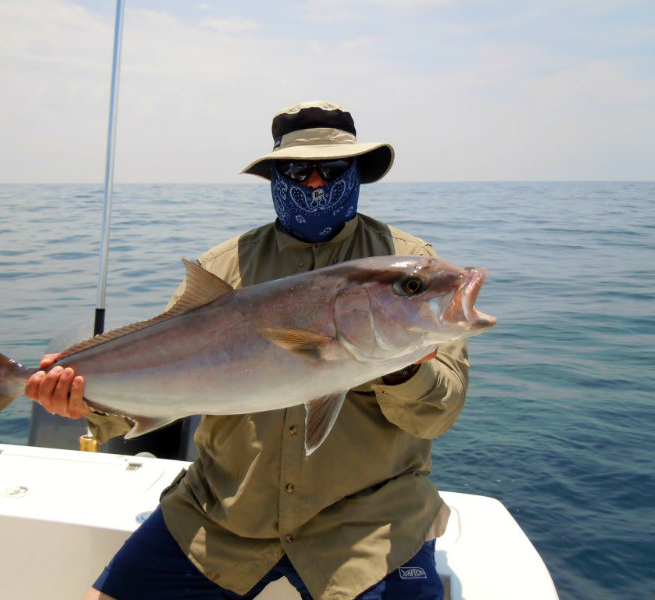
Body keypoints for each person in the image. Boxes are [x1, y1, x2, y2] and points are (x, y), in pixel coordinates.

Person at [26, 100, 468, 600]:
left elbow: (437, 415)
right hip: (222, 515)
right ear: (275, 176)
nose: (316, 183)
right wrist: (83, 403)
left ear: (358, 172)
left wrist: (400, 371)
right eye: (298, 170)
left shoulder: (413, 273)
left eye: (333, 169)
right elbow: (155, 387)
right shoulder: (223, 271)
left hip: (368, 524)